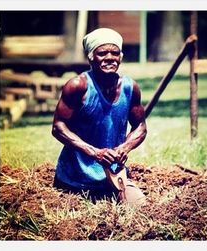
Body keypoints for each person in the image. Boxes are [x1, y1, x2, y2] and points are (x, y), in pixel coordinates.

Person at [52, 28, 147, 205]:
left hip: (113, 175)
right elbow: (58, 127)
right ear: (90, 58)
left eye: (115, 53)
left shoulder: (130, 87)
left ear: (121, 57)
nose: (110, 57)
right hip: (74, 179)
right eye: (102, 53)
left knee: (140, 208)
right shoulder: (77, 86)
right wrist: (95, 153)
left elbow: (140, 126)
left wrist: (125, 148)